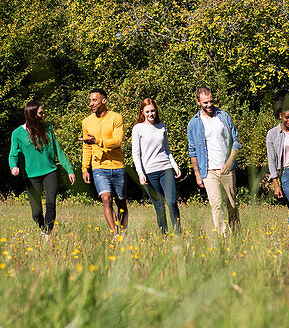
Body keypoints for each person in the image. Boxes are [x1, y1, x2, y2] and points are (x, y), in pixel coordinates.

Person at [8, 102, 76, 236]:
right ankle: (43, 228)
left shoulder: (48, 128)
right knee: (36, 211)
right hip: (31, 175)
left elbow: (58, 150)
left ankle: (47, 233)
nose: (43, 115)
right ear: (32, 115)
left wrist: (69, 169)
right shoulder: (17, 133)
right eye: (40, 113)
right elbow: (13, 154)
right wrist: (13, 166)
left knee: (51, 202)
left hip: (50, 171)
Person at [186, 87, 241, 235]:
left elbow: (236, 142)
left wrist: (229, 162)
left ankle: (236, 235)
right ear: (198, 102)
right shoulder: (193, 124)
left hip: (226, 168)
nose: (209, 105)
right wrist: (197, 173)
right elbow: (192, 151)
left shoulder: (223, 117)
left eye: (211, 101)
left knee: (232, 204)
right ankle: (223, 237)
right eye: (205, 102)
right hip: (208, 170)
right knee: (216, 205)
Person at [80, 88, 128, 234]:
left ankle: (124, 232)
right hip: (98, 167)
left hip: (117, 166)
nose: (91, 103)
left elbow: (117, 141)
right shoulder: (86, 122)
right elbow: (87, 147)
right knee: (106, 199)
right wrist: (84, 168)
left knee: (121, 203)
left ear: (104, 100)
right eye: (90, 100)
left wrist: (98, 141)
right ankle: (115, 234)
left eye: (94, 100)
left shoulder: (116, 118)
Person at [131, 98, 182, 234]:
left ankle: (178, 233)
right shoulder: (138, 129)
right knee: (159, 206)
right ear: (142, 112)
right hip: (149, 172)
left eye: (152, 111)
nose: (150, 114)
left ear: (156, 111)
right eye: (147, 111)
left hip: (165, 168)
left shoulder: (162, 126)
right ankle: (163, 235)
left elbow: (167, 149)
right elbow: (136, 154)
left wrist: (175, 166)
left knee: (171, 202)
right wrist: (140, 173)